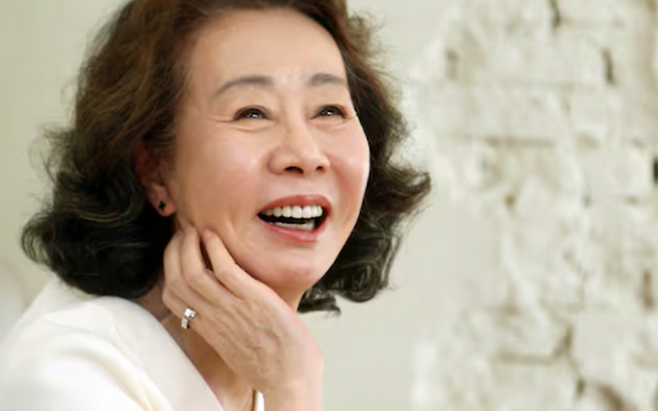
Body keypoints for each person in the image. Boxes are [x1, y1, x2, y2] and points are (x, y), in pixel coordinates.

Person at [0, 0, 431, 410]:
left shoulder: (256, 370)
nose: (305, 153)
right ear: (156, 170)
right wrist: (294, 389)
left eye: (329, 110)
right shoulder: (67, 376)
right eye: (252, 113)